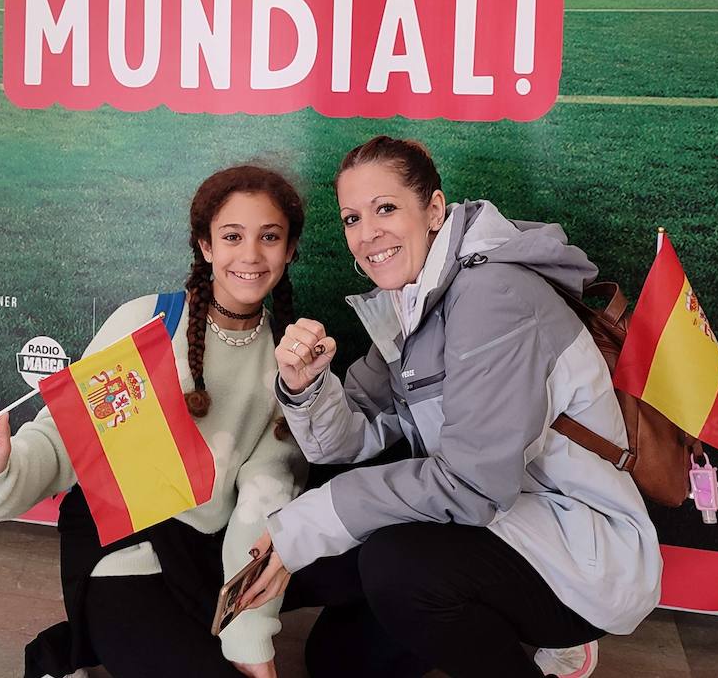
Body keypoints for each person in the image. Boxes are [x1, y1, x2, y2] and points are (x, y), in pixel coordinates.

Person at [239, 136, 662, 678]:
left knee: (392, 567)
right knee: (336, 663)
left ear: (434, 210)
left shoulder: (493, 296)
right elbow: (347, 441)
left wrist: (313, 518)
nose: (367, 234)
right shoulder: (408, 298)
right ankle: (502, 625)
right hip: (487, 525)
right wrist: (306, 387)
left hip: (581, 554)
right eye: (351, 218)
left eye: (385, 208)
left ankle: (543, 636)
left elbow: (472, 485)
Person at [0, 164, 309, 678]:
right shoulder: (148, 323)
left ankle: (79, 647)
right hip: (124, 546)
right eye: (231, 236)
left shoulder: (290, 358)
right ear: (205, 246)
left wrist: (252, 640)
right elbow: (66, 440)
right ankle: (89, 636)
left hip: (208, 560)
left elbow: (268, 495)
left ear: (290, 250)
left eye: (269, 237)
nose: (250, 255)